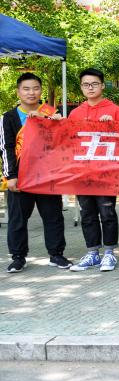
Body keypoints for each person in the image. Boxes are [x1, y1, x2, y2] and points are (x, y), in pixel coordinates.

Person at [2, 72, 68, 273]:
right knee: (17, 219)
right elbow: (6, 147)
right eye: (26, 89)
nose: (31, 92)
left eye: (35, 88)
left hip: (47, 176)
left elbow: (62, 143)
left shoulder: (51, 113)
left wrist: (56, 122)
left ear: (41, 91)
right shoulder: (9, 117)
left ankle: (56, 254)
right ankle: (18, 257)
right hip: (21, 177)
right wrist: (11, 176)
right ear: (18, 92)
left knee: (53, 216)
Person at [68, 68, 119, 272]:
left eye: (94, 84)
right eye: (86, 84)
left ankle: (109, 253)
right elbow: (68, 141)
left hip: (107, 172)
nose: (90, 88)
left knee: (107, 212)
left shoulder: (115, 110)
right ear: (81, 87)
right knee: (87, 213)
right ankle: (92, 252)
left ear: (102, 85)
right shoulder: (75, 113)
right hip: (82, 172)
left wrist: (113, 126)